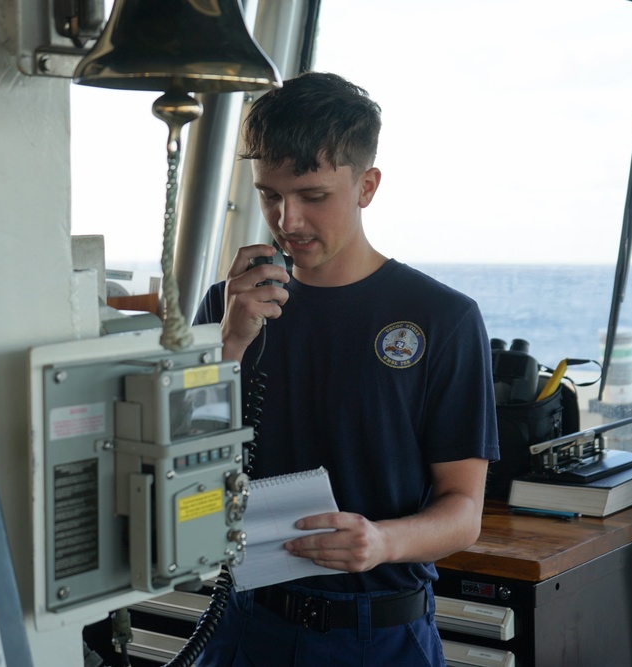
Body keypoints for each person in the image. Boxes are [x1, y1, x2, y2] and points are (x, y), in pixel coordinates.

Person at [192, 71, 499, 666]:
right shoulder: (226, 305)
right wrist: (229, 345)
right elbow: (187, 466)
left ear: (367, 186)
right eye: (269, 194)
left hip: (377, 632)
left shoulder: (443, 318)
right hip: (245, 620)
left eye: (312, 196)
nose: (288, 221)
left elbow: (464, 512)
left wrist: (383, 541)